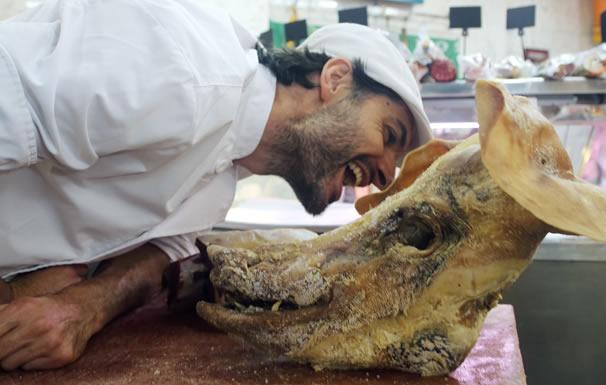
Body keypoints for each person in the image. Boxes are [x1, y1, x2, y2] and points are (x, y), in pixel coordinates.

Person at [0, 0, 431, 371]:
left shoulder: (223, 180)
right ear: (335, 80)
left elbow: (161, 254)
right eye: (390, 135)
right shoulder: (186, 74)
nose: (386, 176)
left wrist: (82, 307)